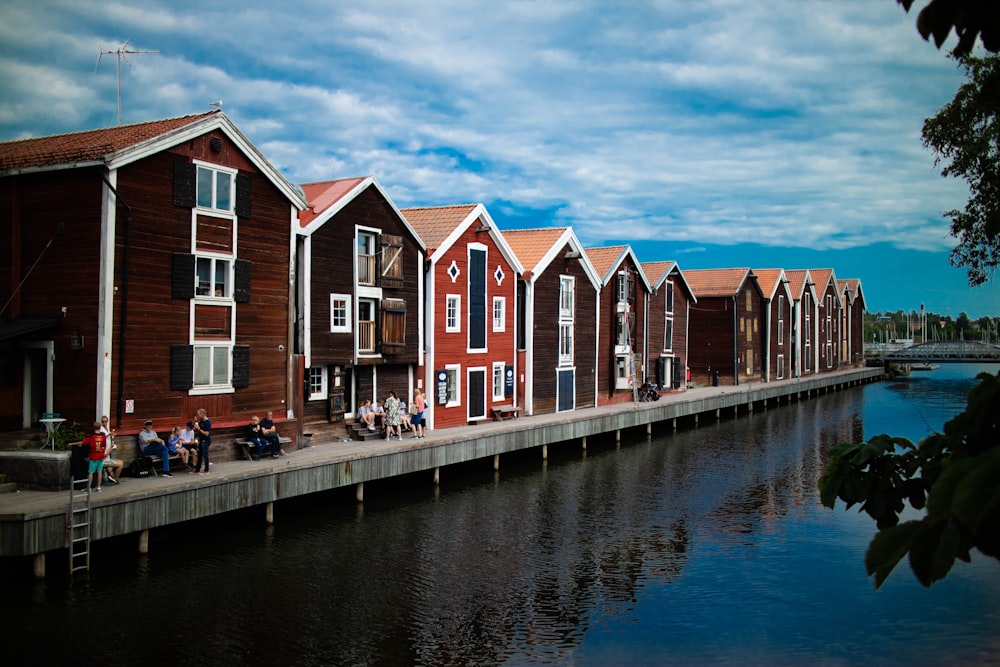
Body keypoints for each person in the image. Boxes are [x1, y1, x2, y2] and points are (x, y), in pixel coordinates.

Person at [82, 421, 109, 492]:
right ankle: (98, 487)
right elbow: (104, 445)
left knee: (91, 472)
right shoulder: (103, 436)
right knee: (99, 471)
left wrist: (72, 443)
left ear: (93, 428)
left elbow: (84, 442)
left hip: (93, 456)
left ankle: (89, 487)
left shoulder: (92, 437)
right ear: (100, 428)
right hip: (100, 456)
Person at [99, 415, 124, 485]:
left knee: (110, 468)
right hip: (104, 454)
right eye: (102, 421)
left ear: (107, 422)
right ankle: (115, 479)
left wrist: (111, 439)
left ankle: (112, 478)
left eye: (105, 421)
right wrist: (109, 435)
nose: (104, 423)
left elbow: (109, 438)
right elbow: (102, 438)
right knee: (120, 464)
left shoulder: (107, 429)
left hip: (107, 452)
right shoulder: (101, 430)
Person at [193, 409, 211, 474]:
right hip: (201, 440)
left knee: (205, 455)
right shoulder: (201, 421)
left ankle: (206, 470)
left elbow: (206, 433)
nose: (198, 415)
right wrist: (196, 421)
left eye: (199, 414)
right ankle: (197, 469)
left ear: (202, 414)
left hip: (205, 440)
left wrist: (199, 429)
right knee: (199, 455)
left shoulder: (207, 422)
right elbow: (197, 426)